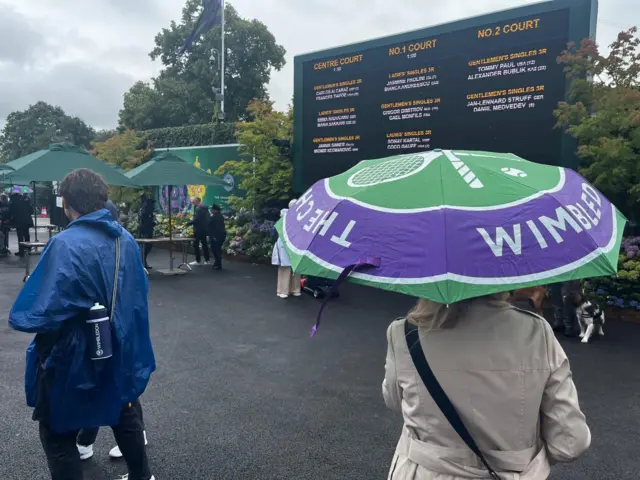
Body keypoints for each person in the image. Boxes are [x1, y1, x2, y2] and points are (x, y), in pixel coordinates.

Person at [8, 168, 156, 480]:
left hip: (72, 355)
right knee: (122, 409)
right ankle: (142, 476)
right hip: (116, 347)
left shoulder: (65, 244)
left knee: (58, 432)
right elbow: (137, 293)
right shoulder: (125, 240)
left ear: (66, 204)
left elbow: (40, 309)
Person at [383, 293, 591, 480]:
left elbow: (393, 400)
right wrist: (519, 460)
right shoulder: (536, 332)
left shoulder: (405, 333)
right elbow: (571, 442)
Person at [271, 199, 301, 298]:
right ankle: (282, 290)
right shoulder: (284, 216)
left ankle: (295, 289)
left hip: (297, 243)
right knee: (285, 267)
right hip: (284, 243)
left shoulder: (301, 216)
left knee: (296, 267)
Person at [186, 196, 211, 266]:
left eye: (193, 201)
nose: (192, 203)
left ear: (197, 201)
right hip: (204, 229)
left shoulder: (199, 208)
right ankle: (207, 260)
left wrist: (188, 223)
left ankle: (198, 260)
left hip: (198, 229)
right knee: (204, 244)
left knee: (196, 244)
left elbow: (197, 219)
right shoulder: (205, 207)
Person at [9, 192, 34, 256]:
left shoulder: (13, 204)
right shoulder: (26, 202)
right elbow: (31, 211)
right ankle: (28, 249)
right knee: (26, 235)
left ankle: (21, 251)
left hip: (19, 221)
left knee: (20, 236)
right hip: (27, 221)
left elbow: (10, 213)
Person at [138, 194, 156, 270]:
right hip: (146, 231)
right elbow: (145, 221)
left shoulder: (144, 209)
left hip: (145, 230)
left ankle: (144, 261)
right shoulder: (146, 210)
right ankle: (143, 262)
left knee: (147, 246)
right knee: (147, 246)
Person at [209, 204, 226, 270]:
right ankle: (217, 263)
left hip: (217, 236)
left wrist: (215, 236)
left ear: (215, 210)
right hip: (220, 235)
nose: (211, 210)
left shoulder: (216, 217)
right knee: (217, 250)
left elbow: (216, 227)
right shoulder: (219, 216)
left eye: (212, 209)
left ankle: (218, 264)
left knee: (216, 250)